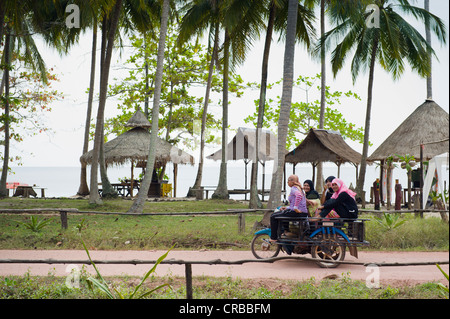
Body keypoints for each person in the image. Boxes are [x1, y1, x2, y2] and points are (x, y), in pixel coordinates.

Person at [269, 175, 308, 242]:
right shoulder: (299, 188)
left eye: (288, 181)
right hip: (302, 213)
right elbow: (295, 202)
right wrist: (287, 207)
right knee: (281, 214)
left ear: (291, 181)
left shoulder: (294, 188)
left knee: (273, 216)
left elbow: (299, 196)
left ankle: (273, 237)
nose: (287, 183)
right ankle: (286, 232)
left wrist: (295, 208)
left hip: (298, 213)